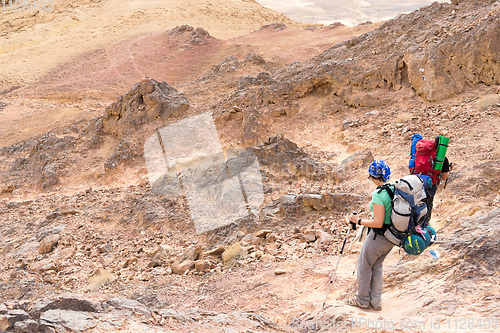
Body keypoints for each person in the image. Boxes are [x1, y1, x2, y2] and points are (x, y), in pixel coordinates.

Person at [344, 160, 394, 311]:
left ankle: (362, 300)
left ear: (374, 177)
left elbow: (378, 222)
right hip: (392, 237)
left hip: (379, 236)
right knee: (377, 266)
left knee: (364, 266)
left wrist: (357, 220)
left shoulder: (378, 194)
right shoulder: (392, 188)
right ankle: (376, 302)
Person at [423, 156, 451, 225]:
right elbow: (444, 177)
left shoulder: (419, 152)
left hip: (415, 182)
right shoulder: (442, 158)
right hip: (430, 186)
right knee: (428, 204)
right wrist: (449, 169)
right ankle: (425, 226)